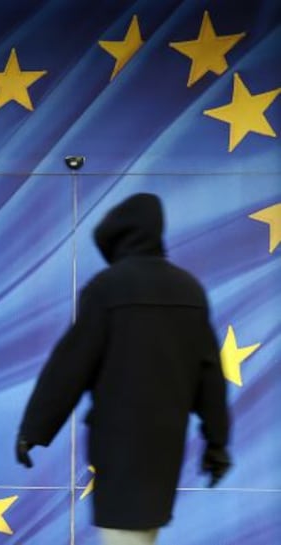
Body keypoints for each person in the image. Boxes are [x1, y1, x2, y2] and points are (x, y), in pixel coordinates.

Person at [16, 193, 231, 545]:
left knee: (122, 535)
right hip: (165, 446)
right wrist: (217, 441)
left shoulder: (107, 288)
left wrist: (34, 429)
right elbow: (210, 375)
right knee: (143, 534)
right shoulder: (189, 290)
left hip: (117, 445)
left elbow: (69, 366)